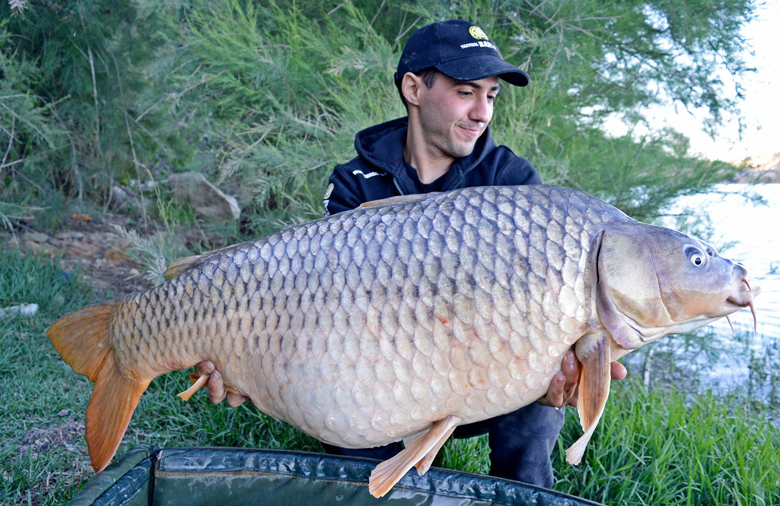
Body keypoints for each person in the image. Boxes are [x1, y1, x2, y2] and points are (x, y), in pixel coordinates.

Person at [195, 19, 626, 488]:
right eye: (466, 92)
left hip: (491, 377)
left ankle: (523, 493)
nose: (482, 112)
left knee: (541, 384)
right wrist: (239, 353)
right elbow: (316, 302)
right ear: (414, 88)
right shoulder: (354, 183)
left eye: (492, 96)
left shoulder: (513, 184)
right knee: (341, 395)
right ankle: (371, 488)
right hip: (385, 373)